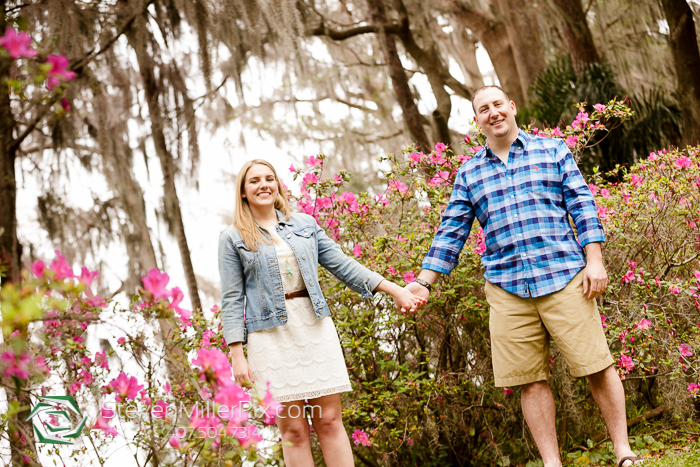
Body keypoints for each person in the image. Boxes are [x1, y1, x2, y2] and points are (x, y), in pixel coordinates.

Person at [405, 86, 643, 467]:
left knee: (597, 364)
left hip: (565, 276)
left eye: (498, 104)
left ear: (512, 107)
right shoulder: (469, 172)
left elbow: (582, 204)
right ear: (477, 120)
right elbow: (452, 231)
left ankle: (623, 451)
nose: (493, 113)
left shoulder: (552, 150)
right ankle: (552, 464)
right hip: (507, 288)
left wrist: (594, 259)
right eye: (484, 109)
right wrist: (424, 280)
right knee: (529, 380)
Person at [219, 159, 423, 466]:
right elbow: (232, 298)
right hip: (269, 338)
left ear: (277, 186)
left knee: (329, 421)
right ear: (243, 192)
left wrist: (394, 289)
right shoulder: (233, 237)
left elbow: (343, 266)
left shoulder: (305, 225)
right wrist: (237, 353)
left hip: (314, 327)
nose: (263, 185)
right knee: (294, 430)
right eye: (254, 181)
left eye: (269, 178)